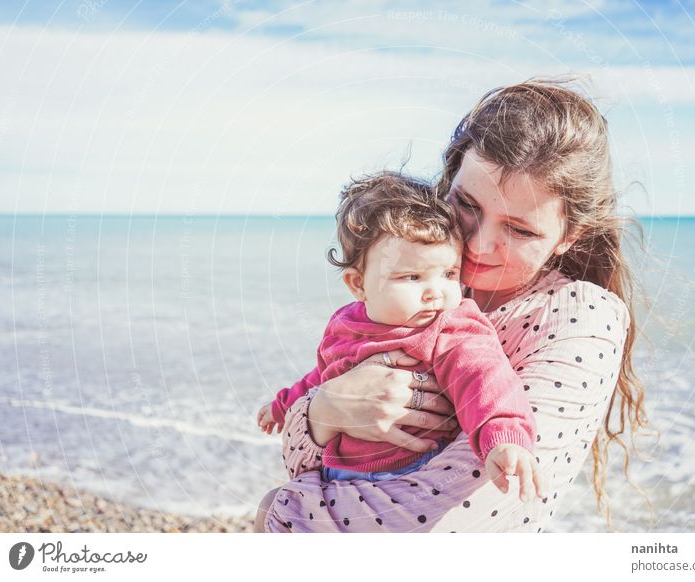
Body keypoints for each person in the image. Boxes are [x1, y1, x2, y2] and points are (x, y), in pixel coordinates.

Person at [256, 79, 650, 533]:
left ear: (570, 236)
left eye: (520, 230)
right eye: (466, 204)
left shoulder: (583, 318)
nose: (478, 245)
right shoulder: (427, 286)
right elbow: (304, 456)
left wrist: (285, 510)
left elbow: (461, 519)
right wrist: (321, 410)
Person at [256, 172, 544, 498]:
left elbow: (483, 376)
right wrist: (284, 405)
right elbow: (325, 377)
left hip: (411, 475)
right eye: (412, 277)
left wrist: (504, 436)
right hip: (337, 475)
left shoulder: (447, 326)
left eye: (449, 273)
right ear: (358, 284)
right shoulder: (345, 325)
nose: (435, 292)